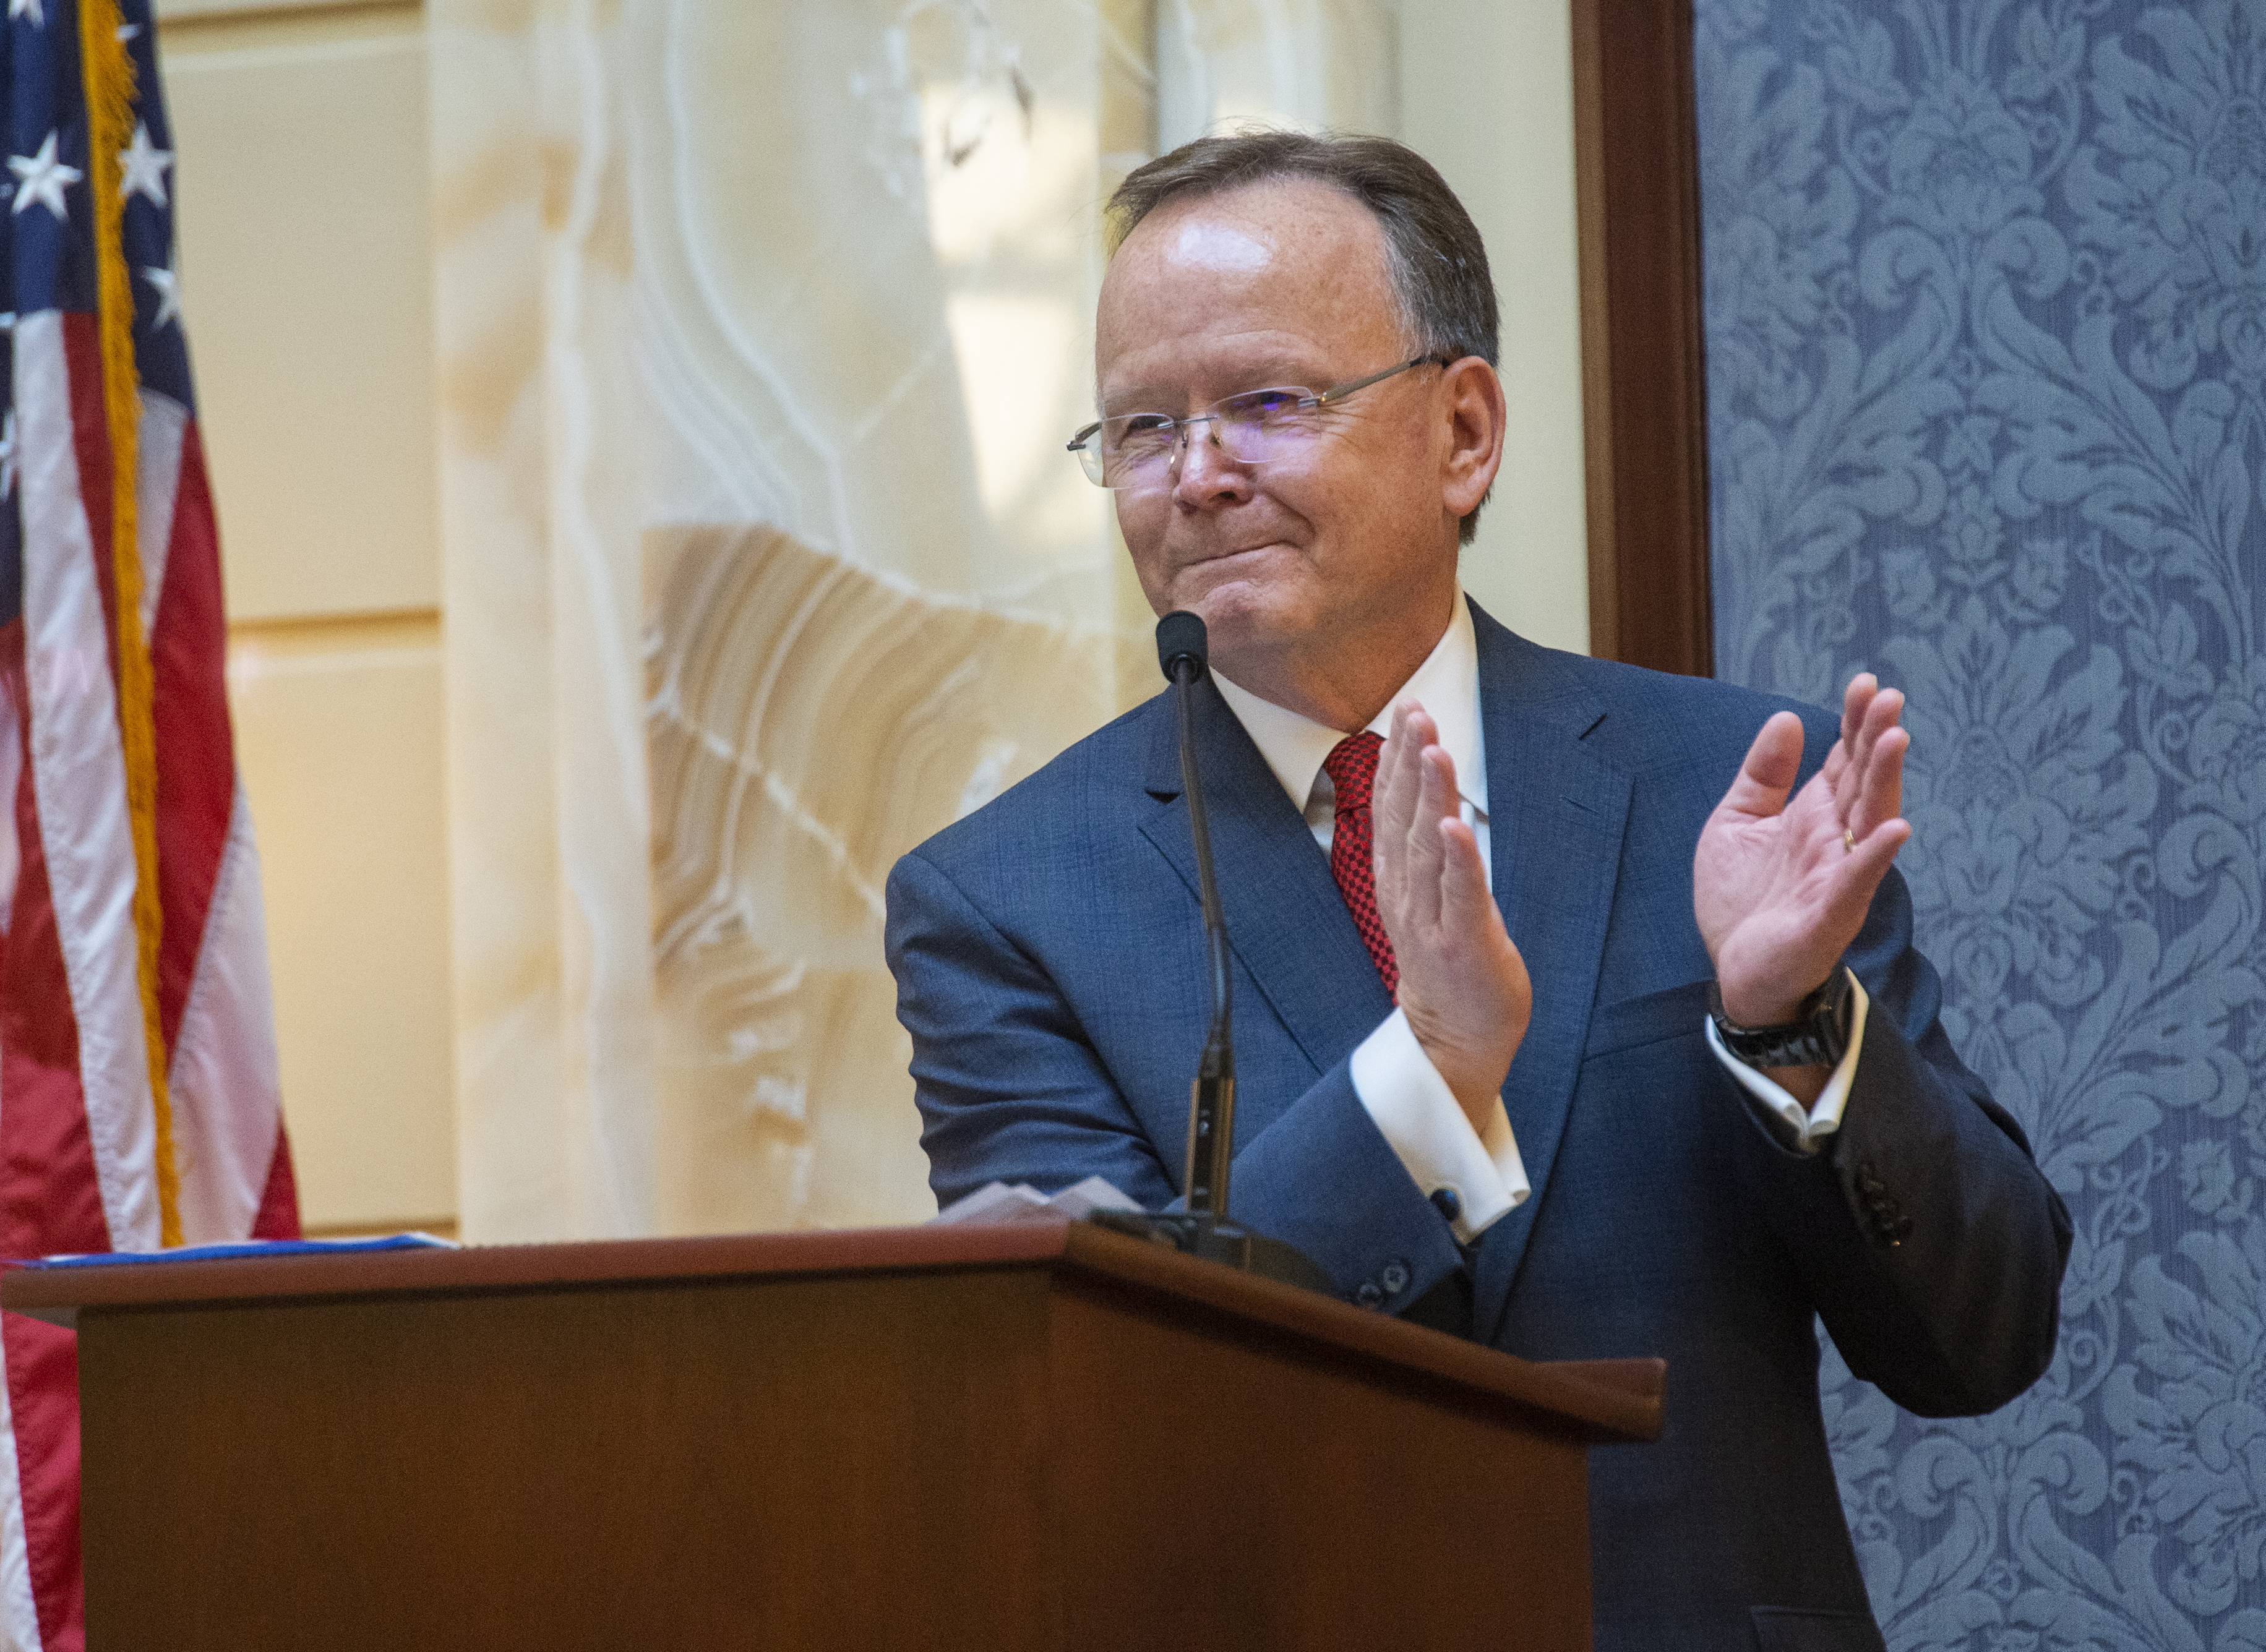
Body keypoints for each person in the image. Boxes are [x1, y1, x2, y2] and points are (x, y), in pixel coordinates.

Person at [884, 131, 2071, 1652]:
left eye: (1266, 403)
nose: (1196, 476)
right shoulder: (1003, 903)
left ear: (1462, 434)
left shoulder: (1727, 784)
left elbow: (1981, 1339)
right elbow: (1100, 1417)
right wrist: (1424, 1087)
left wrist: (1791, 1029)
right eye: (1137, 429)